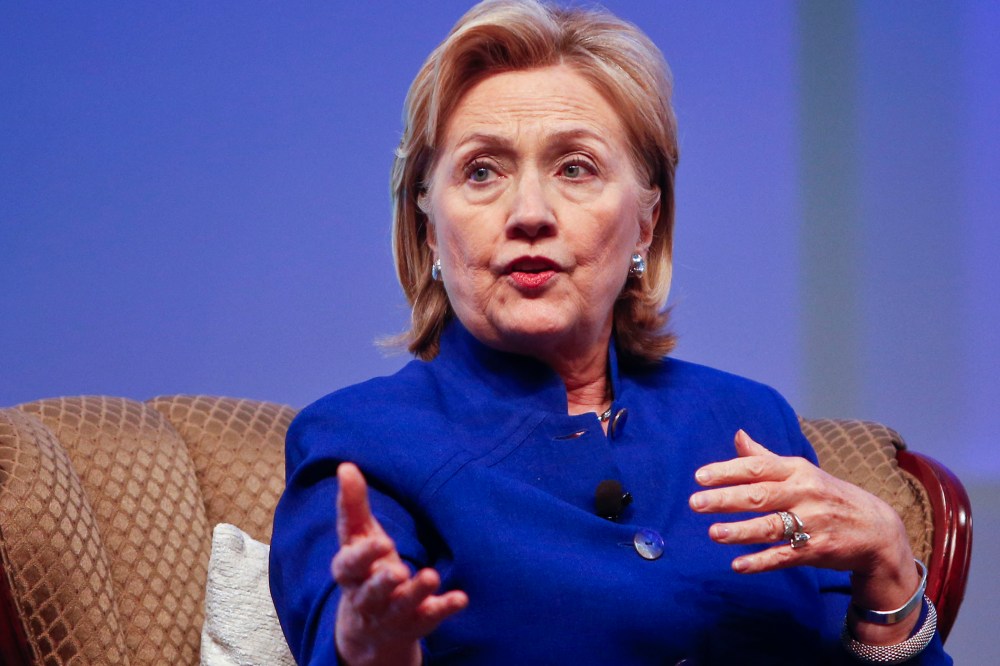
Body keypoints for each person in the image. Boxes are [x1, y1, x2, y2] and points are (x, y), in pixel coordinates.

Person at [269, 1, 952, 664]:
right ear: (429, 228)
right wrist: (374, 643)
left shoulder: (747, 418)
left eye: (575, 168)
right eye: (482, 171)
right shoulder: (361, 442)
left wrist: (890, 569)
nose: (529, 213)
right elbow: (352, 626)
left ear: (646, 224)